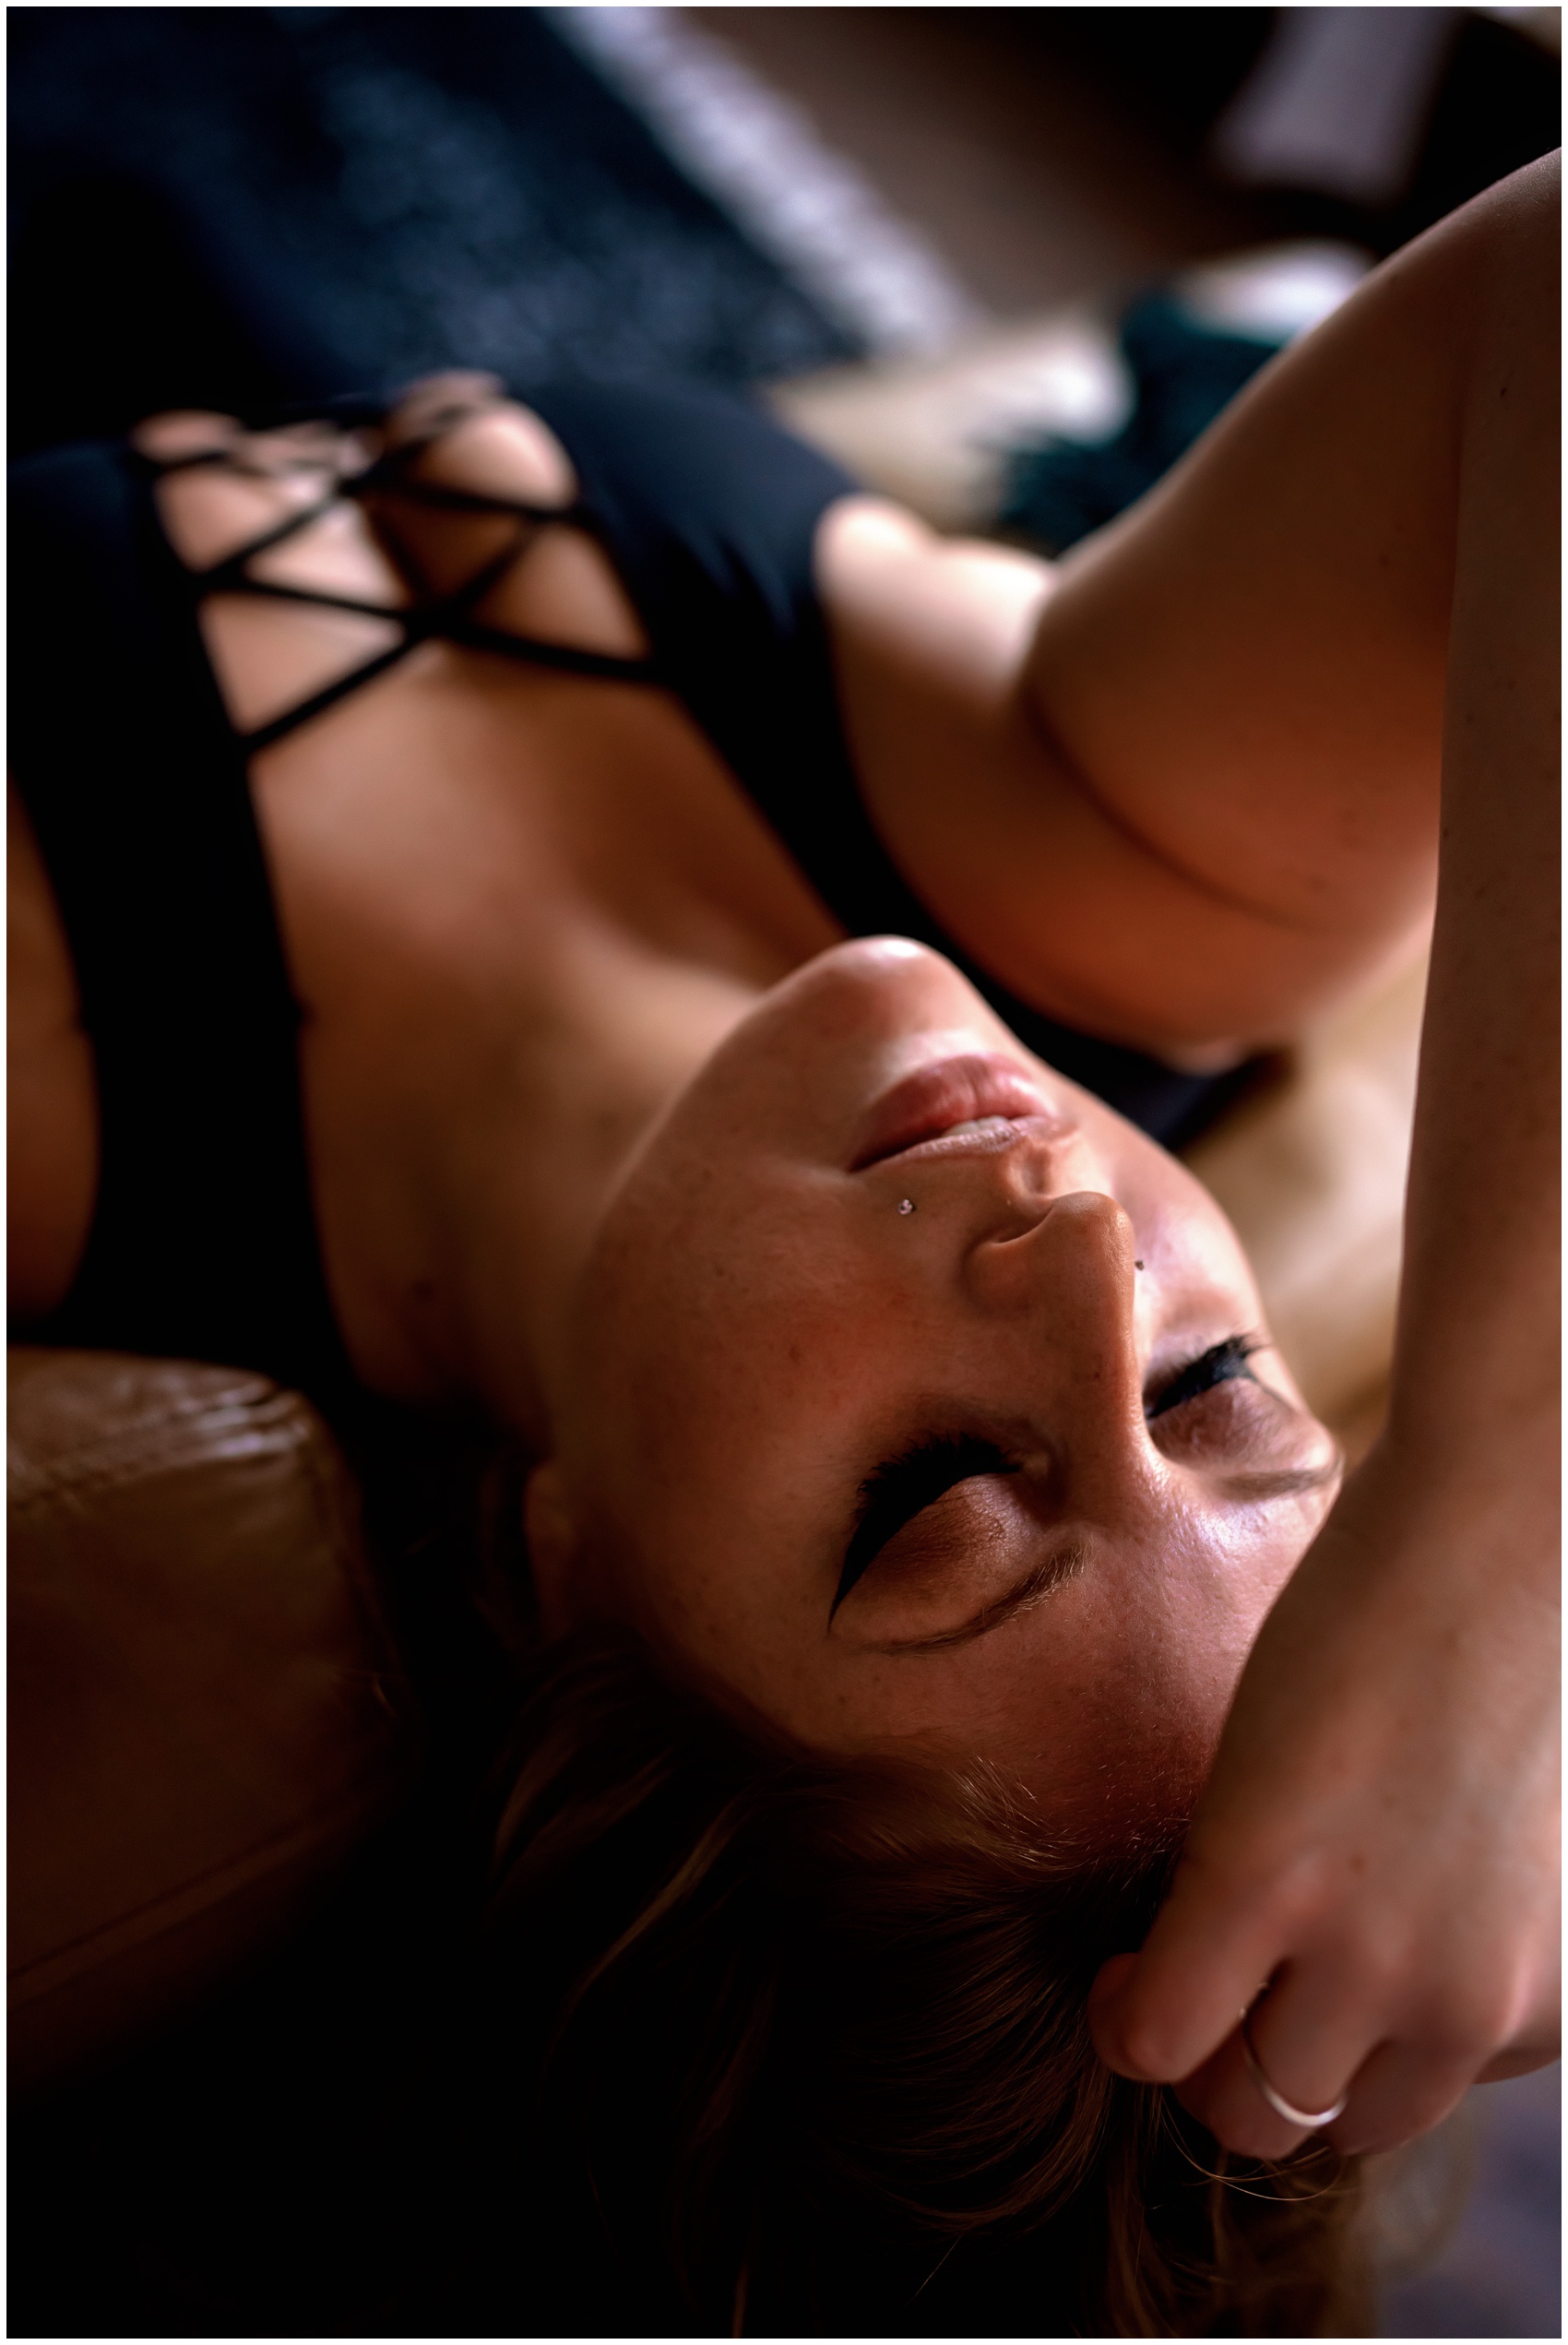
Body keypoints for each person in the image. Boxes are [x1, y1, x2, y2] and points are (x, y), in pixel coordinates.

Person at [9, 154, 1557, 2331]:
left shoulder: (64, 1115)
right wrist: (1501, 1506)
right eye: (1220, 1394)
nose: (1082, 1253)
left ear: (573, 1583)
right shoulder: (1105, 880)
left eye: (935, 1502)